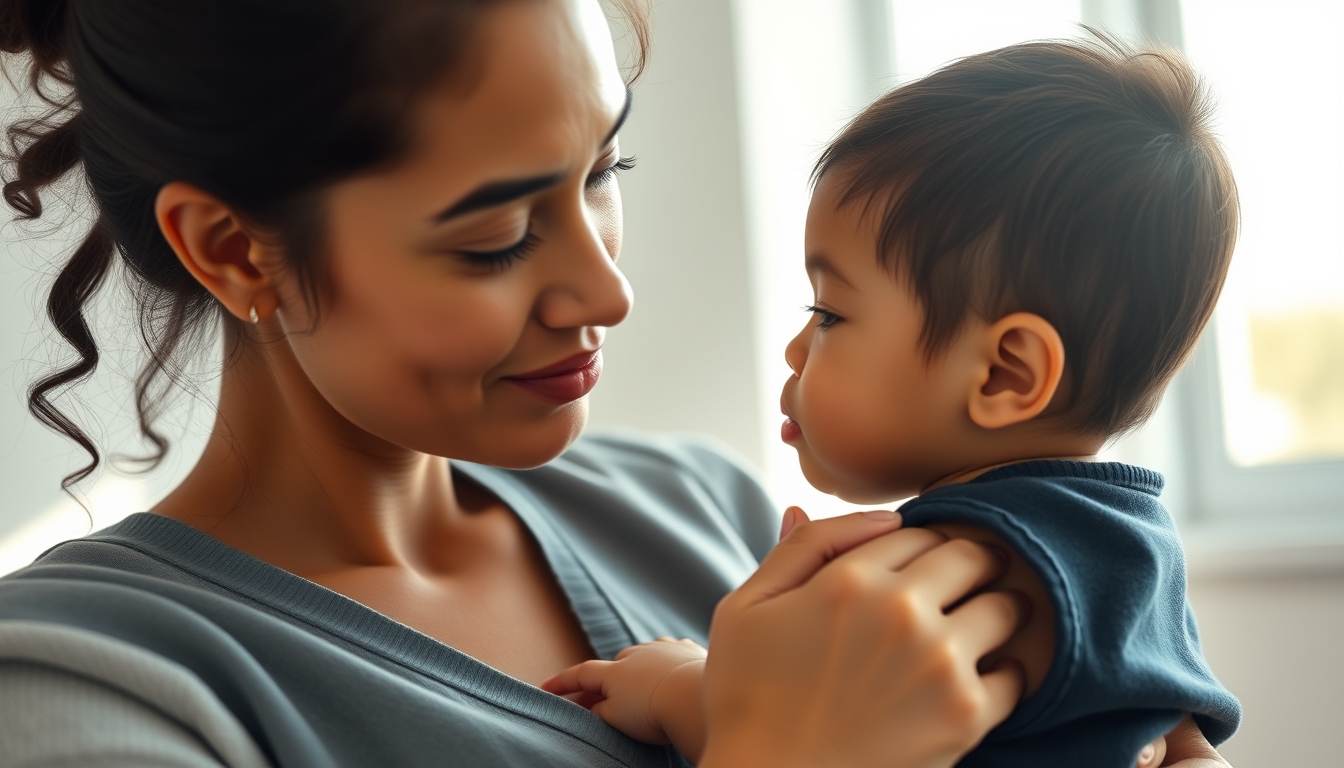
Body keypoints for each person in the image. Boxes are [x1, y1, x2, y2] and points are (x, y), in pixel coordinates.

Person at [0, 0, 1228, 765]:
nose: (607, 291)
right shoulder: (84, 687)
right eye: (492, 238)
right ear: (232, 248)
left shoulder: (710, 510)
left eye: (603, 169)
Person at [541, 37, 1244, 768]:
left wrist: (676, 687)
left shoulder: (944, 566)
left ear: (1005, 373)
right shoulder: (1135, 548)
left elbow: (782, 721)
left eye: (831, 314)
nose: (795, 349)